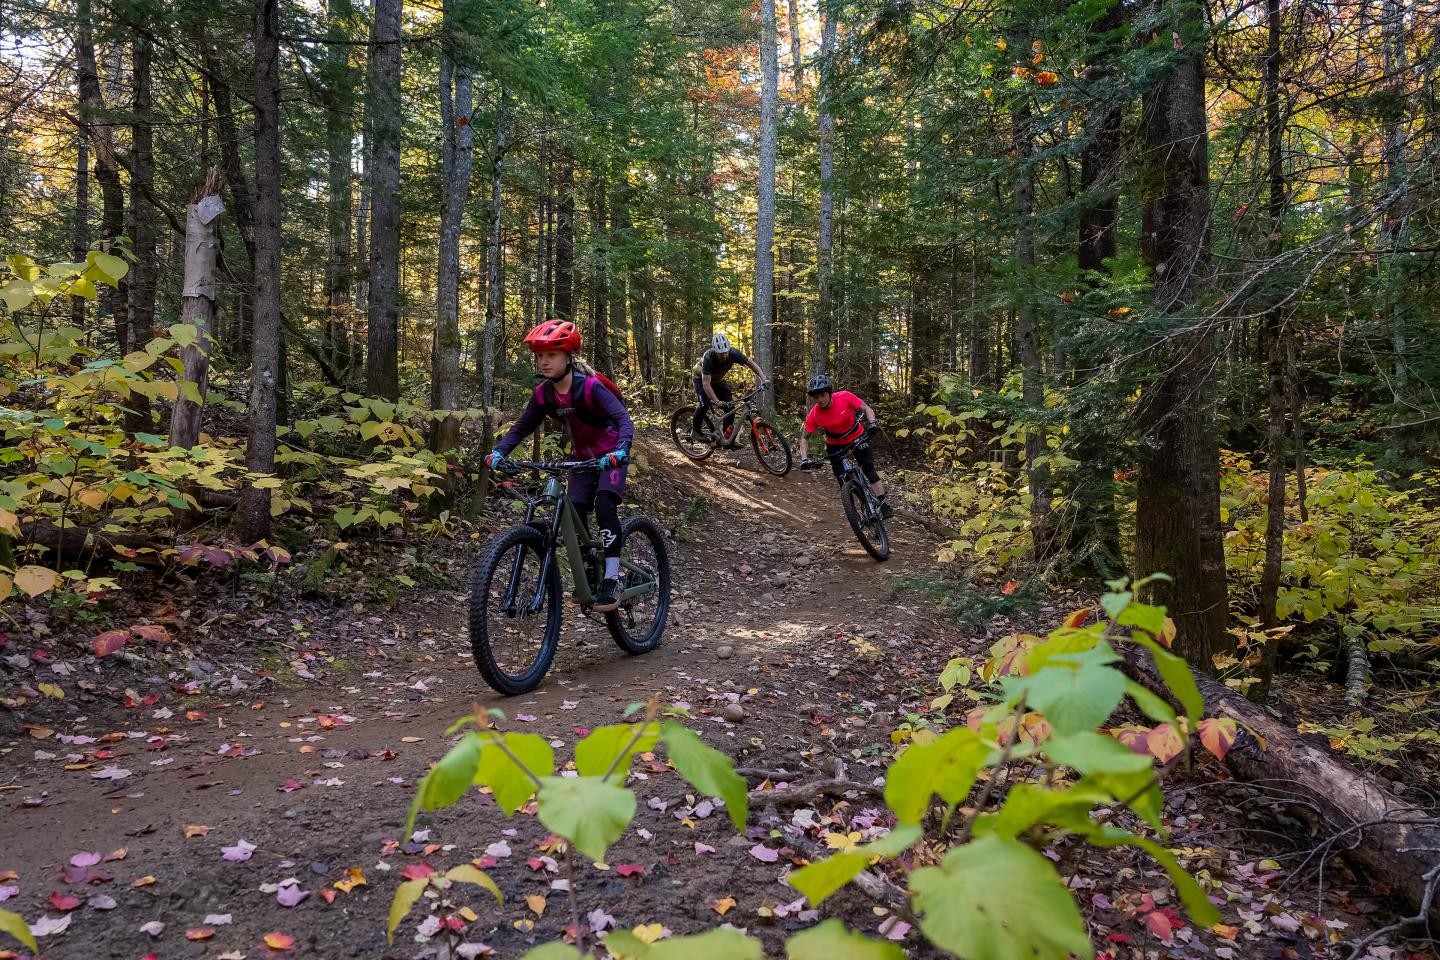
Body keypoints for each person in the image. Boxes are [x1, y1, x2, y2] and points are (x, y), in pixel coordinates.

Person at [485, 319, 633, 612]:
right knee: (573, 513)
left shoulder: (590, 388)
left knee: (604, 506)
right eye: (540, 356)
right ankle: (590, 569)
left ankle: (612, 579)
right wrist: (499, 452)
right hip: (580, 460)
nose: (544, 361)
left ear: (569, 356)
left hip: (610, 456)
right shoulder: (544, 394)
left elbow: (623, 420)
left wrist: (621, 450)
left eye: (551, 354)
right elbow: (522, 428)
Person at [798, 374, 892, 518]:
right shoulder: (815, 414)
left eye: (822, 395)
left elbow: (866, 408)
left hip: (857, 437)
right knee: (843, 480)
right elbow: (804, 438)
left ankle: (883, 503)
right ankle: (856, 507)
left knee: (868, 468)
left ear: (829, 392)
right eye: (816, 397)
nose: (820, 400)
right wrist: (804, 459)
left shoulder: (844, 396)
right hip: (835, 444)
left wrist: (872, 423)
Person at [691, 332, 769, 441]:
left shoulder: (734, 353)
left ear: (728, 349)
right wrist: (717, 401)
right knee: (704, 405)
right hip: (701, 379)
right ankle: (695, 431)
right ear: (715, 351)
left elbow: (751, 363)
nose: (723, 356)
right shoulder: (708, 356)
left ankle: (726, 437)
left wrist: (763, 378)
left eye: (725, 353)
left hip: (717, 380)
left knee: (730, 406)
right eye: (720, 354)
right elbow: (706, 384)